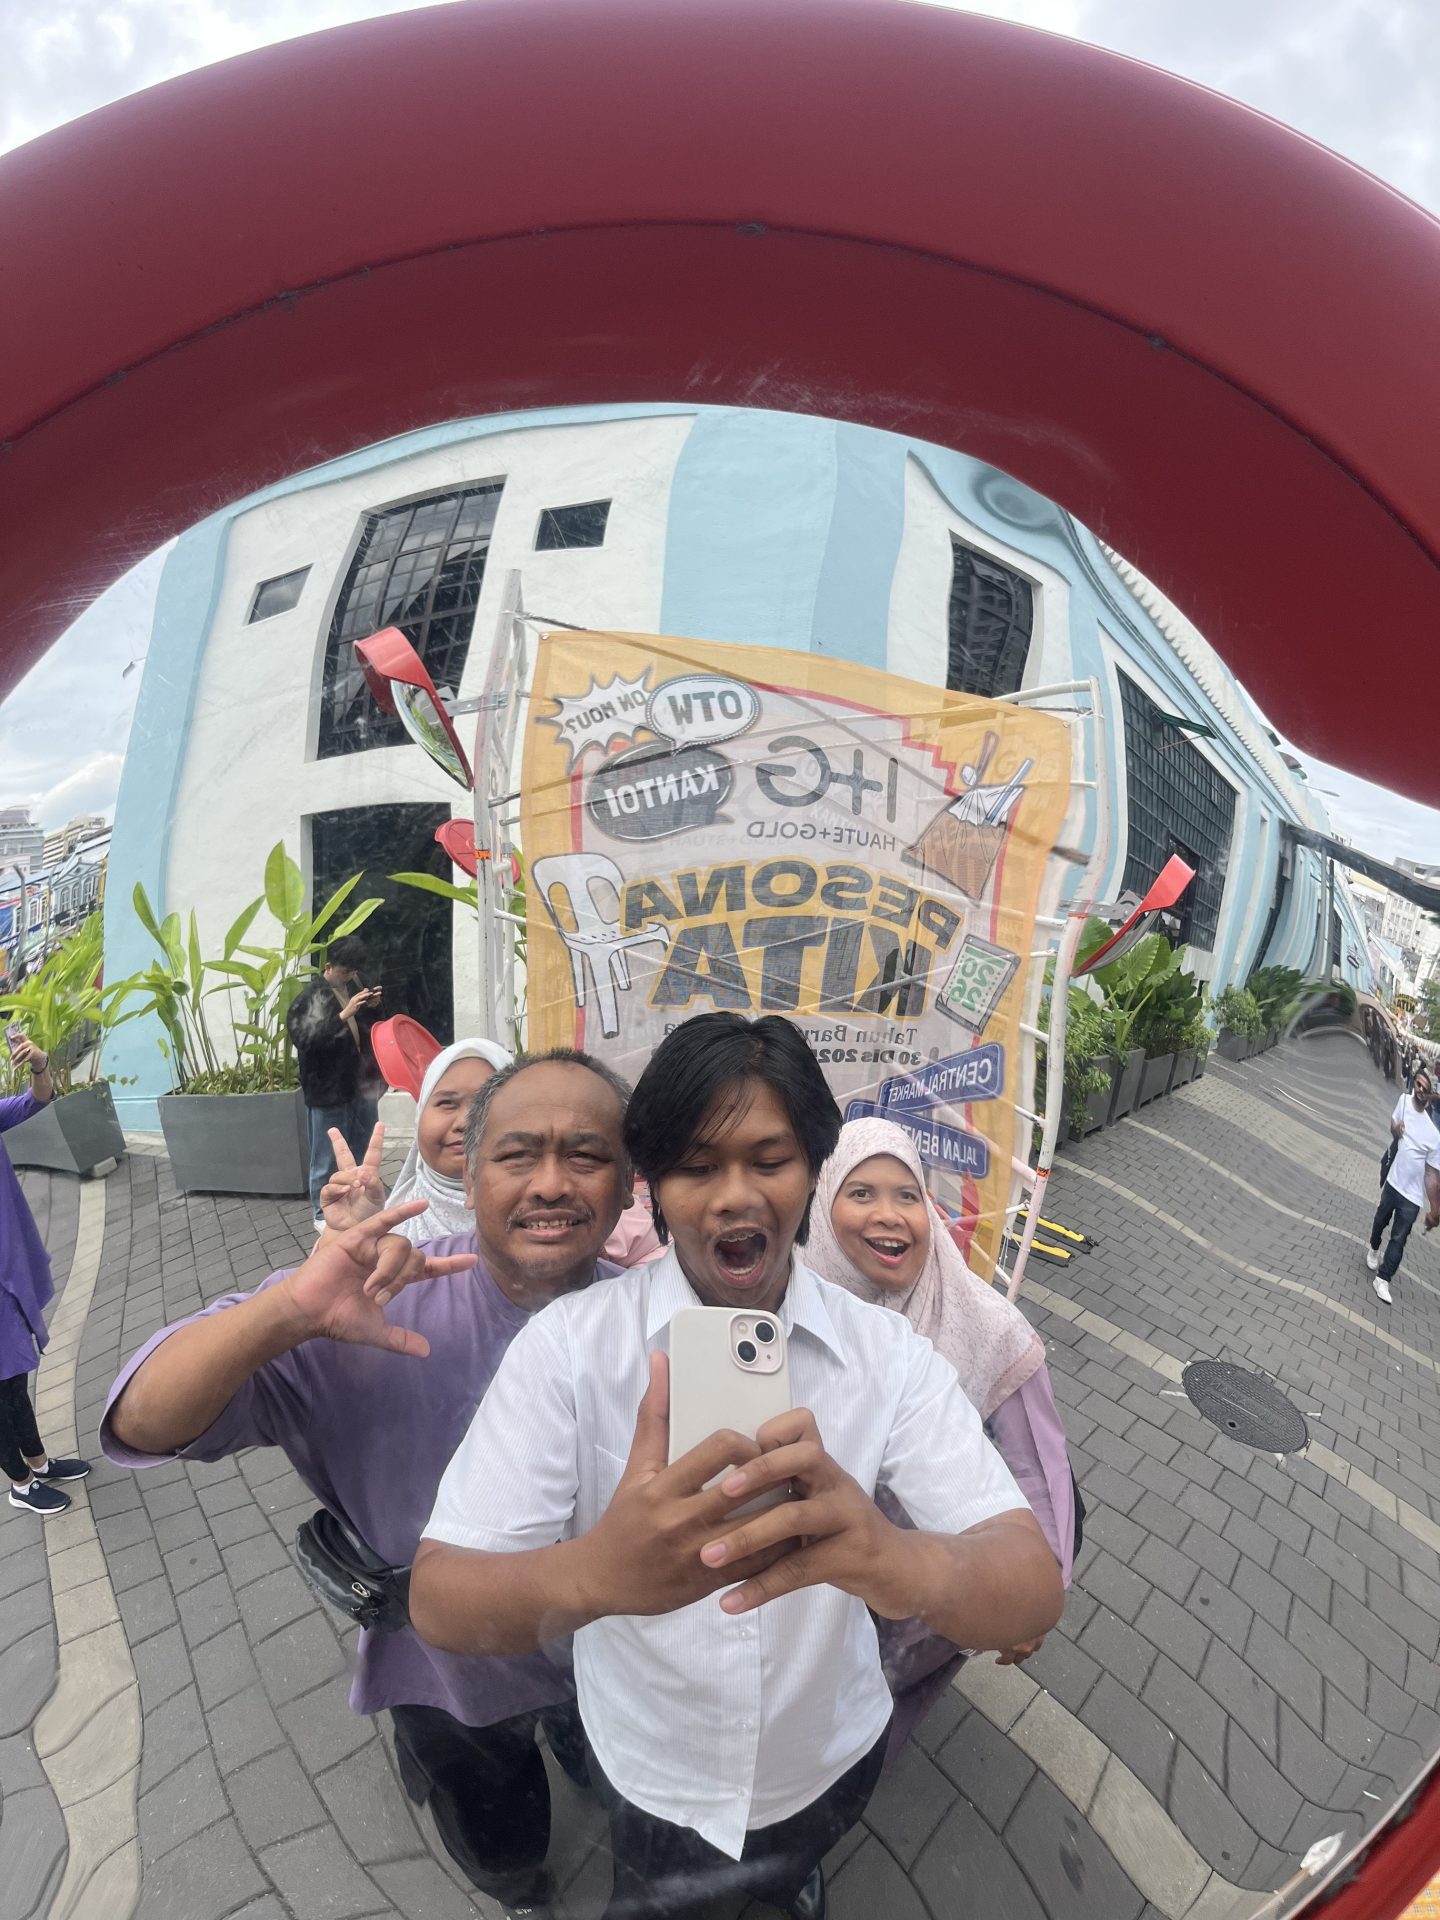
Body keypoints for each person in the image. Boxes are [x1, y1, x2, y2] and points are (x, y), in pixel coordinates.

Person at [411, 1014, 1063, 1920]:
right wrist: (598, 1573)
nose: (733, 1198)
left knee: (795, 1863)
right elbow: (439, 1596)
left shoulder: (886, 1357)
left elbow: (1031, 1589)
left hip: (827, 1758)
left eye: (769, 1160)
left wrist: (887, 1555)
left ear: (814, 1168)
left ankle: (788, 1875)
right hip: (650, 1769)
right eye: (696, 1166)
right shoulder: (572, 1348)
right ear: (653, 1184)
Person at [102, 1050, 633, 1913]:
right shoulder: (372, 1304)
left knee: (594, 1756)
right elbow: (141, 1419)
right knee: (496, 1819)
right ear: (469, 1161)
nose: (550, 1183)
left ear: (627, 1179)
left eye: (586, 1154)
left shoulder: (658, 1318)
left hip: (610, 1660)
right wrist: (289, 1314)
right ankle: (517, 1886)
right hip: (448, 1675)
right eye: (516, 1154)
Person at [805, 1117, 1074, 1751]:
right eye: (861, 1193)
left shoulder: (986, 1327)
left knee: (876, 1723)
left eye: (908, 1196)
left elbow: (1036, 1466)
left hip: (927, 1601)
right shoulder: (788, 1306)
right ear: (820, 1208)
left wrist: (1040, 1585)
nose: (891, 1215)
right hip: (818, 1593)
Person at [1, 1036, 91, 1515]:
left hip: (4, 1267)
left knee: (12, 1377)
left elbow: (37, 1101)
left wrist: (39, 1064)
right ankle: (19, 1482)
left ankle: (37, 1461)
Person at [285, 936, 384, 1232]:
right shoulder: (309, 998)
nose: (350, 977)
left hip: (359, 1085)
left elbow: (367, 1031)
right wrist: (344, 1013)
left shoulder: (353, 988)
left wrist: (373, 1007)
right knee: (325, 1154)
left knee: (364, 1146)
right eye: (345, 971)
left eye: (353, 971)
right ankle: (319, 1211)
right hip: (328, 1089)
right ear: (328, 967)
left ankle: (362, 1199)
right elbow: (305, 1040)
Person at [384, 1038, 513, 1245]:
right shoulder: (386, 1226)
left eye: (486, 1104)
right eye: (447, 1103)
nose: (465, 1123)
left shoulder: (550, 1220)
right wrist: (342, 1234)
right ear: (420, 1116)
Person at [1367, 1063, 1440, 1304]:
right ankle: (1374, 1248)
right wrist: (1396, 1130)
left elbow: (1431, 1174)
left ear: (1429, 1094)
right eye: (1418, 1084)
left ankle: (1383, 1279)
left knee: (1399, 1238)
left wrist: (1434, 1208)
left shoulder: (1434, 1134)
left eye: (1425, 1087)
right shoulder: (1403, 1101)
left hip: (1412, 1197)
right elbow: (1392, 1126)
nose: (1420, 1089)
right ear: (1414, 1086)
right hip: (1393, 1183)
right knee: (1380, 1220)